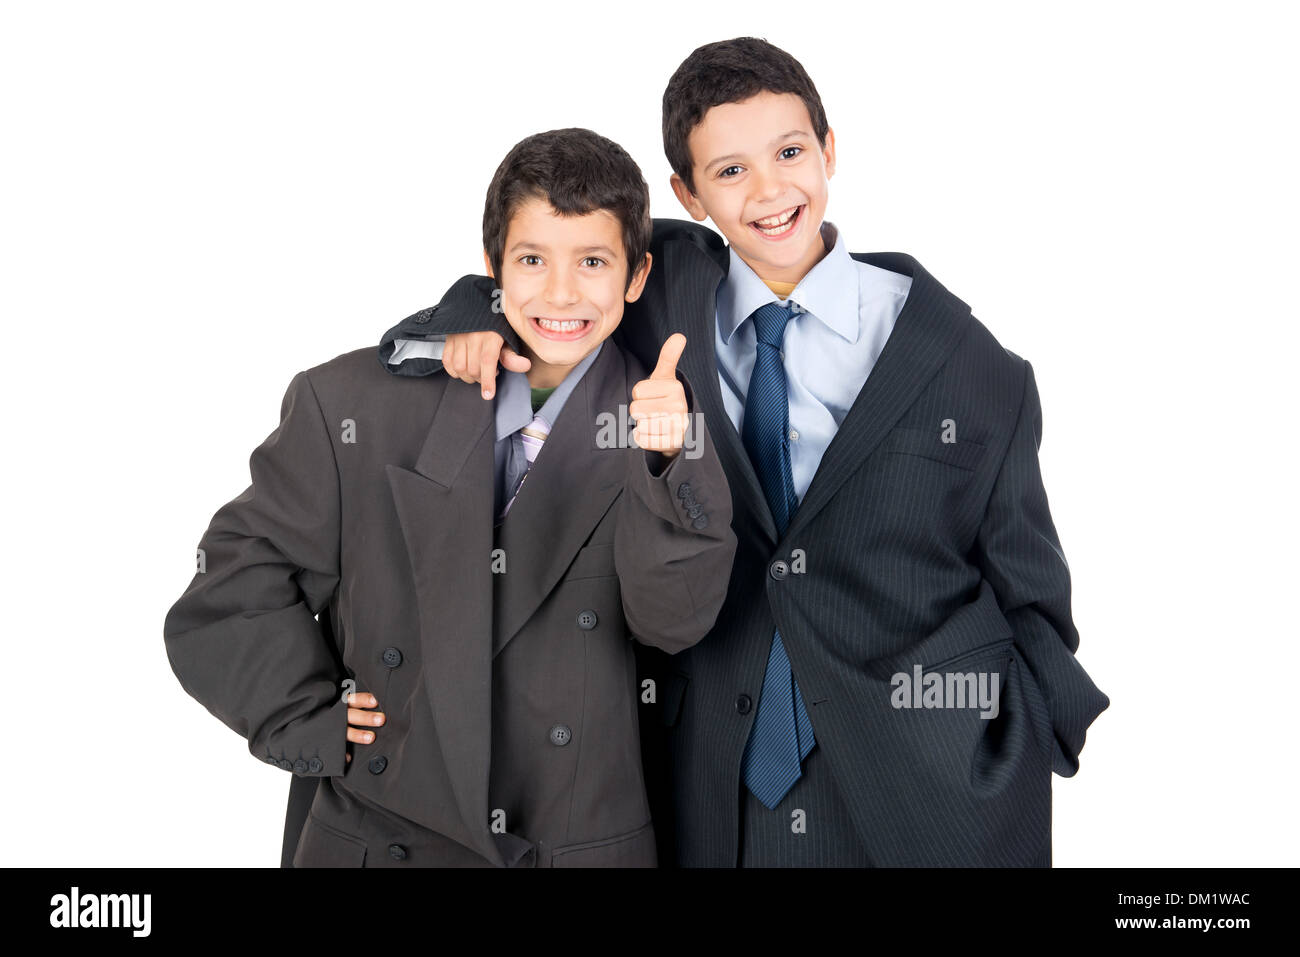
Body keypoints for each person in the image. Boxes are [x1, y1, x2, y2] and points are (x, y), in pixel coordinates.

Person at [377, 37, 1109, 867]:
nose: (769, 191)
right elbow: (545, 273)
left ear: (829, 152)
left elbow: (1032, 590)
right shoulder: (659, 293)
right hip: (704, 773)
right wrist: (463, 323)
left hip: (925, 783)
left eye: (790, 152)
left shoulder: (971, 364)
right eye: (729, 172)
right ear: (686, 196)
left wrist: (1024, 739)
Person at [164, 127, 737, 867]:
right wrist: (306, 716)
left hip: (576, 844)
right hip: (379, 835)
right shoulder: (353, 405)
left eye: (593, 261)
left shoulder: (662, 421)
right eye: (533, 260)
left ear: (636, 276)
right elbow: (228, 589)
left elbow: (675, 620)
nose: (562, 293)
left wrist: (665, 456)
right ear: (493, 267)